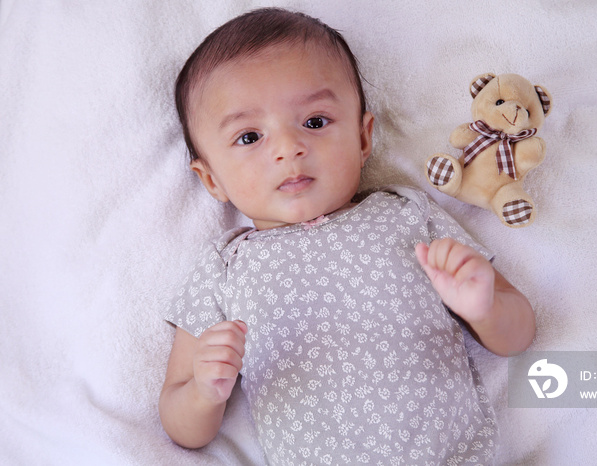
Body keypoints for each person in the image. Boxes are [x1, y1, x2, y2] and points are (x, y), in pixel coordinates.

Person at [160, 7, 535, 465]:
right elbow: (181, 426)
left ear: (363, 139)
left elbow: (520, 335)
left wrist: (484, 307)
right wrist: (202, 391)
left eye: (314, 122)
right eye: (250, 136)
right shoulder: (225, 266)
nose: (288, 148)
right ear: (211, 179)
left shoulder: (405, 213)